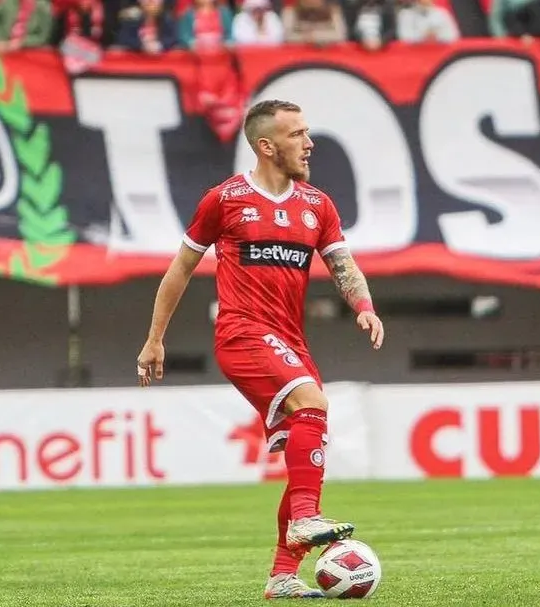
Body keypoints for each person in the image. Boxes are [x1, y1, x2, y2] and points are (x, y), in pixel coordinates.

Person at [136, 99, 385, 600]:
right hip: (242, 333)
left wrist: (363, 304)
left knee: (306, 448)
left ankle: (282, 575)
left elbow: (342, 262)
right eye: (298, 135)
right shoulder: (224, 200)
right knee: (312, 404)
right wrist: (154, 338)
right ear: (266, 146)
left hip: (291, 340)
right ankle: (305, 520)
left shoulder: (317, 205)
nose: (309, 143)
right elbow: (180, 268)